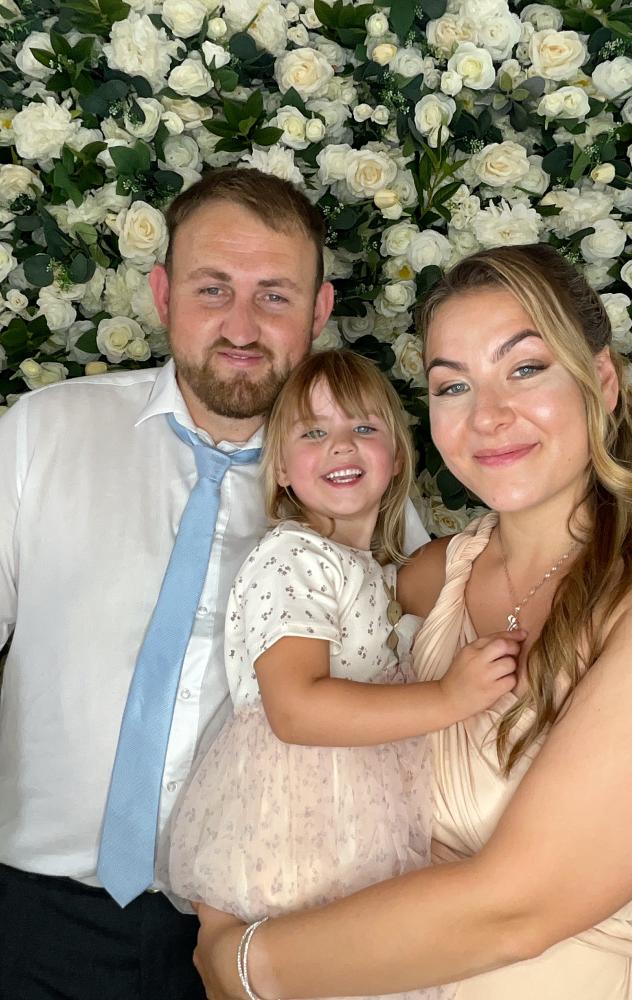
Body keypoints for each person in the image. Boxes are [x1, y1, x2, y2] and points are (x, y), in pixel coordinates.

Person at [194, 244, 632, 1000]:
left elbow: (515, 910)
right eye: (453, 385)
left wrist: (238, 964)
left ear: (602, 381)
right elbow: (285, 696)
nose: (488, 416)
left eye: (525, 368)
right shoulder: (435, 574)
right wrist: (231, 871)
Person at [0, 168, 429, 999]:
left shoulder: (366, 492)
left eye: (274, 295)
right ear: (163, 294)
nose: (241, 325)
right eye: (212, 288)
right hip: (31, 913)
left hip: (263, 925)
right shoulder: (43, 433)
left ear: (319, 310)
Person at [169, 351, 518, 1000]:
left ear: (397, 457)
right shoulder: (293, 557)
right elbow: (296, 710)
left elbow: (456, 566)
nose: (340, 445)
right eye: (313, 432)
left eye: (363, 428)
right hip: (292, 835)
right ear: (280, 467)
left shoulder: (373, 572)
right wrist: (449, 698)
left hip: (353, 831)